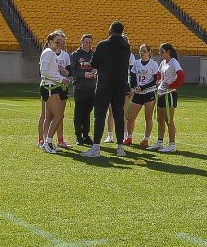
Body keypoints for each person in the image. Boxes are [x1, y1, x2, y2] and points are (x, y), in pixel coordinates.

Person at [81, 22, 132, 158]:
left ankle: (96, 147)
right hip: (120, 85)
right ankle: (120, 147)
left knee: (100, 115)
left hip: (105, 84)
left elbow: (94, 63)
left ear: (111, 30)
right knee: (119, 115)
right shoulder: (126, 46)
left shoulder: (103, 45)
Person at [37, 30, 71, 154]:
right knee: (59, 115)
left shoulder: (52, 53)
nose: (60, 43)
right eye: (58, 41)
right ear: (50, 42)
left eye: (62, 41)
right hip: (49, 87)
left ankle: (48, 142)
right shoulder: (49, 53)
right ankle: (47, 142)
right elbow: (44, 71)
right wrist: (61, 79)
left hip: (52, 86)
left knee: (51, 116)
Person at [150, 43, 185, 153]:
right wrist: (159, 81)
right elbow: (160, 74)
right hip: (161, 93)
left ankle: (172, 144)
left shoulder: (174, 62)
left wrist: (171, 86)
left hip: (170, 94)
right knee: (160, 119)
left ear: (168, 51)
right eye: (160, 51)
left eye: (162, 52)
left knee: (169, 119)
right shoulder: (163, 63)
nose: (160, 54)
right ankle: (159, 142)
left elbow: (181, 76)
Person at [127, 44, 162, 148]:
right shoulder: (136, 63)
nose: (142, 53)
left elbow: (155, 80)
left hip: (149, 93)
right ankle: (129, 137)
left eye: (144, 51)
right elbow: (132, 77)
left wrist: (143, 87)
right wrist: (135, 87)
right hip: (138, 93)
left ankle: (146, 139)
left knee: (148, 117)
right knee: (130, 117)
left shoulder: (153, 64)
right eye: (141, 51)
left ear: (149, 52)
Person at [69, 34, 97, 145]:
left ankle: (86, 135)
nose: (88, 44)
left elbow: (98, 67)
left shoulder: (94, 54)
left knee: (87, 113)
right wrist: (83, 74)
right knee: (79, 113)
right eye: (86, 42)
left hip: (92, 88)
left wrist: (95, 71)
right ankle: (78, 136)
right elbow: (71, 71)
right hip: (80, 88)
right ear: (81, 42)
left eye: (90, 42)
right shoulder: (75, 55)